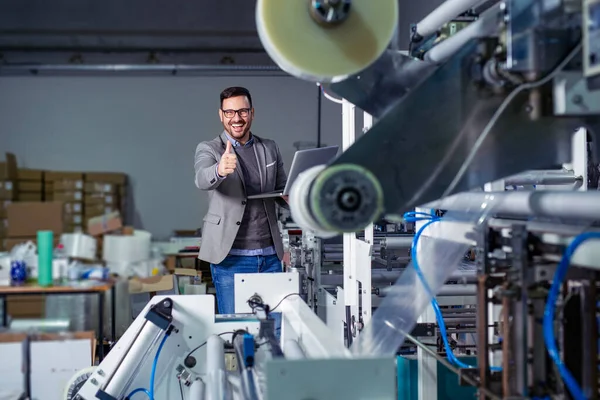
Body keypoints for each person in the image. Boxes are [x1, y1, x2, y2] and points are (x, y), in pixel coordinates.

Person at [194, 86, 288, 314]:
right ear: (221, 115)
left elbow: (281, 190)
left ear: (252, 113)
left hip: (270, 257)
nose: (236, 119)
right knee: (236, 330)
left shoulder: (269, 147)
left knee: (273, 329)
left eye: (243, 112)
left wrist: (295, 197)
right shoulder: (209, 149)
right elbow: (202, 178)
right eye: (229, 112)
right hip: (230, 259)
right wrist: (220, 169)